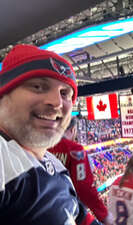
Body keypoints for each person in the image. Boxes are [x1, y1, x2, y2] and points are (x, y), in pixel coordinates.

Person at [0, 44, 103, 225]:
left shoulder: (54, 165)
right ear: (3, 95)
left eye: (65, 93)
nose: (57, 102)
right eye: (38, 86)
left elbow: (79, 217)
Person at [48, 117, 112, 225]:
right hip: (68, 211)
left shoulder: (43, 148)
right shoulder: (75, 150)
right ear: (73, 130)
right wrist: (105, 216)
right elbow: (84, 189)